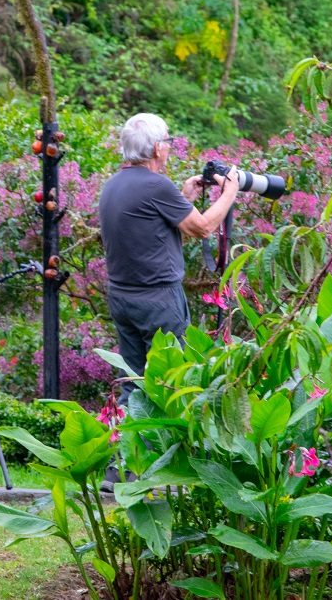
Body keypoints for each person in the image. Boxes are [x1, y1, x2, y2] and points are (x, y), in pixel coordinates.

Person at [97, 113, 237, 487]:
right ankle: (175, 471)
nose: (170, 148)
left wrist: (184, 196)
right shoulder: (156, 187)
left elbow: (152, 223)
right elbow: (204, 227)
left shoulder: (114, 185)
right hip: (157, 298)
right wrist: (230, 193)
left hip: (123, 296)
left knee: (134, 382)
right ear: (158, 148)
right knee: (173, 381)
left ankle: (120, 469)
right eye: (169, 142)